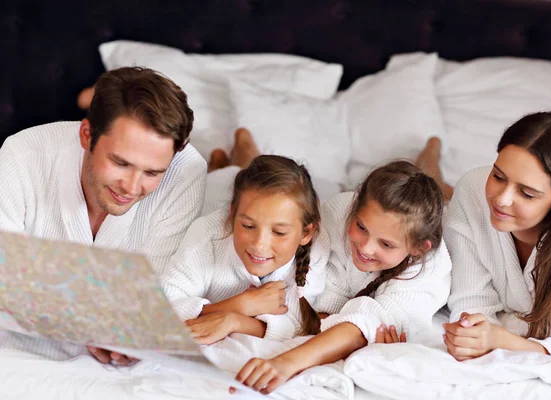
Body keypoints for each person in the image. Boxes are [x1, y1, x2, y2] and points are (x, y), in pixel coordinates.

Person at [0, 66, 207, 365]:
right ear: (87, 135)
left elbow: (158, 289)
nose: (132, 187)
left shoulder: (186, 173)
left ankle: (231, 156)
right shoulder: (22, 157)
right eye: (120, 163)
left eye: (152, 172)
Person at [234, 160, 452, 394]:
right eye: (361, 227)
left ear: (418, 248)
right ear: (355, 207)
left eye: (386, 244)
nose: (366, 248)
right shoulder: (338, 213)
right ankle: (244, 154)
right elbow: (313, 301)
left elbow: (361, 326)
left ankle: (431, 155)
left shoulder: (427, 273)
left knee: (435, 180)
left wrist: (285, 363)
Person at [443, 111, 551, 374]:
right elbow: (471, 303)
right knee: (434, 196)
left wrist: (500, 340)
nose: (501, 199)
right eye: (498, 176)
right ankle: (431, 156)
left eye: (526, 193)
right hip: (454, 204)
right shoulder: (473, 189)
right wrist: (477, 332)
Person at [160, 154, 330, 344]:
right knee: (220, 177)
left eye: (279, 232)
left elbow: (298, 325)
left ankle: (241, 155)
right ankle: (223, 164)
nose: (259, 244)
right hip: (215, 195)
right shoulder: (206, 235)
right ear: (232, 215)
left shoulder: (316, 249)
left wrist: (234, 321)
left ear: (306, 234)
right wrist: (241, 305)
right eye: (249, 226)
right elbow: (163, 305)